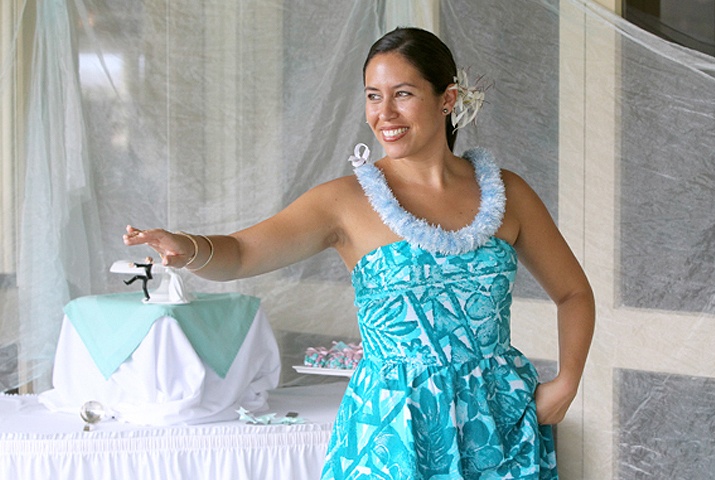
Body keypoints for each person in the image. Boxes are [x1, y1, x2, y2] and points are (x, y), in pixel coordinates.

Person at [124, 27, 594, 479]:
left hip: (499, 425)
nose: (384, 113)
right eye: (373, 95)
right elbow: (244, 253)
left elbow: (573, 293)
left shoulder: (507, 192)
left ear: (447, 99)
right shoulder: (344, 201)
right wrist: (189, 248)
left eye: (403, 94)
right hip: (393, 431)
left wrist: (567, 381)